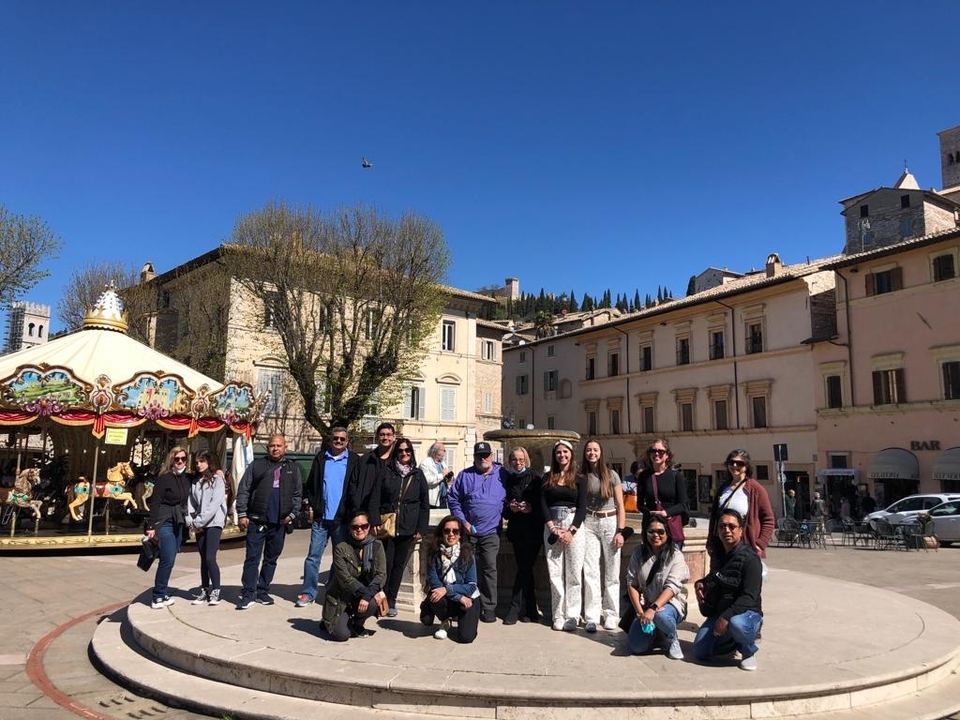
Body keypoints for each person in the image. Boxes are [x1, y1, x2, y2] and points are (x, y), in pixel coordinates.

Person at [235, 433, 303, 609]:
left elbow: (297, 495)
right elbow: (244, 489)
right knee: (252, 558)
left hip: (279, 522)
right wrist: (242, 513)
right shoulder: (257, 466)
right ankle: (248, 593)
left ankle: (263, 590)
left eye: (279, 445)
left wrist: (292, 515)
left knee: (271, 559)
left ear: (285, 448)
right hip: (257, 520)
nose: (275, 448)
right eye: (272, 445)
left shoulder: (292, 469)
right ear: (268, 447)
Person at [295, 427, 361, 608]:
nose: (338, 441)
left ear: (347, 441)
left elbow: (356, 489)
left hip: (342, 519)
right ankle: (308, 592)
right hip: (321, 519)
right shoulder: (321, 458)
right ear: (330, 440)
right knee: (313, 557)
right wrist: (312, 506)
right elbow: (311, 485)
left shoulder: (354, 461)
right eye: (335, 439)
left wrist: (352, 513)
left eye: (342, 439)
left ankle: (332, 591)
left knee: (339, 559)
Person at [694, 508, 764, 671]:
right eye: (722, 526)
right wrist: (701, 583)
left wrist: (725, 617)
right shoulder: (719, 554)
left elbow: (750, 596)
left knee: (737, 623)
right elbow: (714, 577)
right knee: (700, 651)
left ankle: (748, 651)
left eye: (732, 527)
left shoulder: (750, 559)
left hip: (747, 613)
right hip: (721, 611)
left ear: (741, 530)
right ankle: (733, 641)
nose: (726, 530)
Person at [447, 441, 506, 624]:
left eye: (486, 455)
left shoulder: (502, 474)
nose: (483, 458)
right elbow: (453, 499)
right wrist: (462, 521)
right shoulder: (465, 475)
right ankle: (467, 602)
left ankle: (489, 607)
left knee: (490, 568)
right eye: (479, 456)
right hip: (468, 532)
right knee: (464, 568)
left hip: (491, 531)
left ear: (491, 456)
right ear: (474, 457)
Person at [625, 514, 688, 659]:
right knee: (637, 647)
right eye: (651, 531)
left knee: (661, 616)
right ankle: (658, 635)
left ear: (667, 533)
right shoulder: (638, 553)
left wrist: (653, 609)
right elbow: (632, 584)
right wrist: (640, 612)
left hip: (670, 604)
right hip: (647, 605)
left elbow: (672, 587)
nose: (656, 535)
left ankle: (672, 638)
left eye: (661, 532)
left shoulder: (675, 555)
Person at [379, 438, 429, 616]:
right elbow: (377, 497)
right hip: (388, 526)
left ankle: (391, 600)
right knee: (386, 564)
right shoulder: (387, 473)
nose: (404, 454)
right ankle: (381, 597)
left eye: (407, 451)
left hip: (407, 527)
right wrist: (375, 521)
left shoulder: (417, 475)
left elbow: (424, 504)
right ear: (396, 453)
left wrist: (421, 529)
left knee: (399, 565)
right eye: (400, 451)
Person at [540, 439, 587, 632]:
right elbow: (542, 504)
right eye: (559, 452)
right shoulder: (547, 477)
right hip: (552, 524)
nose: (562, 455)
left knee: (575, 572)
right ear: (555, 455)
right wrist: (552, 528)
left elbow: (583, 507)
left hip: (573, 525)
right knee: (555, 572)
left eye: (565, 452)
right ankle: (558, 614)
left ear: (571, 455)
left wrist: (571, 531)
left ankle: (573, 615)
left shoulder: (580, 478)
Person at [580, 439, 626, 632]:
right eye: (589, 450)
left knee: (612, 571)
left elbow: (621, 505)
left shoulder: (612, 475)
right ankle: (591, 615)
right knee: (590, 569)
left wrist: (620, 531)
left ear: (601, 453)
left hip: (609, 520)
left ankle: (611, 614)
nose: (592, 452)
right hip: (589, 521)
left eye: (595, 449)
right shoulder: (582, 476)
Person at [321, 512, 387, 641]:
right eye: (355, 527)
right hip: (342, 598)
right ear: (349, 528)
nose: (359, 529)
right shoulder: (341, 548)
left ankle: (357, 624)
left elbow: (381, 574)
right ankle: (329, 619)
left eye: (364, 526)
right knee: (342, 636)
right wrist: (367, 594)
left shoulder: (377, 546)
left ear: (369, 527)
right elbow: (345, 579)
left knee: (372, 604)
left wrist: (369, 596)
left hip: (362, 597)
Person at [707, 449, 775, 573]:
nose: (734, 466)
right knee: (718, 583)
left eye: (740, 463)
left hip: (744, 546)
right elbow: (714, 518)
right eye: (731, 462)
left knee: (742, 584)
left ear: (747, 466)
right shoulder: (723, 488)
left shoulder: (756, 489)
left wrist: (760, 543)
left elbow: (768, 519)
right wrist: (710, 540)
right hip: (721, 545)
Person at [421, 515, 481, 642]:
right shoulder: (434, 554)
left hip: (469, 599)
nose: (451, 534)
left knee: (466, 638)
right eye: (447, 531)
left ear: (460, 535)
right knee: (435, 596)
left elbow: (471, 586)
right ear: (441, 533)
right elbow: (436, 585)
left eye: (455, 531)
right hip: (455, 597)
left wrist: (447, 589)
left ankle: (463, 620)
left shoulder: (468, 554)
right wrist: (457, 596)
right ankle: (445, 620)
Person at [146, 446, 191, 609]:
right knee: (168, 558)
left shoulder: (188, 478)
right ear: (171, 460)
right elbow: (155, 502)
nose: (180, 462)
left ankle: (163, 591)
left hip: (179, 521)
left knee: (171, 558)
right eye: (176, 459)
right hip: (165, 521)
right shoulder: (164, 478)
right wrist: (151, 526)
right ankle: (157, 595)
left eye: (183, 459)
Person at [501, 446, 542, 625]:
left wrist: (530, 508)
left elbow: (542, 506)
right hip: (517, 531)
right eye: (514, 460)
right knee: (525, 570)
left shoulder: (536, 478)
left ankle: (514, 608)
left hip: (533, 531)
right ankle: (530, 610)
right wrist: (510, 508)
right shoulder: (508, 480)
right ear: (510, 461)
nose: (518, 463)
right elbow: (503, 507)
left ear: (526, 460)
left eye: (521, 460)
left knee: (524, 568)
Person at [187, 450, 228, 606]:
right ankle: (205, 589)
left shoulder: (217, 480)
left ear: (209, 462)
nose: (199, 465)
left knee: (210, 557)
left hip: (213, 523)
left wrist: (198, 522)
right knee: (203, 558)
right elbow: (191, 502)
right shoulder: (196, 482)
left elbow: (214, 505)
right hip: (199, 524)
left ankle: (216, 589)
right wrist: (191, 520)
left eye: (202, 461)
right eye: (196, 462)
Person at [637, 438, 689, 548]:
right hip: (651, 526)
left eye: (661, 451)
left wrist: (665, 513)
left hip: (670, 526)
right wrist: (651, 514)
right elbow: (640, 504)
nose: (656, 454)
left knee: (672, 563)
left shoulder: (676, 476)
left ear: (667, 455)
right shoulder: (644, 476)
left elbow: (683, 504)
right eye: (653, 451)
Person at [359, 422, 394, 530]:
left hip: (391, 515)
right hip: (367, 513)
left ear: (394, 437)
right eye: (382, 434)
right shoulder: (366, 460)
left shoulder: (398, 461)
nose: (385, 437)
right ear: (377, 436)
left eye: (388, 435)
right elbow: (357, 486)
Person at [420, 442, 454, 509]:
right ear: (436, 451)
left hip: (444, 499)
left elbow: (444, 479)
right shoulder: (425, 463)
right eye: (443, 450)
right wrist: (442, 475)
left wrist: (449, 478)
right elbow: (426, 480)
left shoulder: (442, 463)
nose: (445, 452)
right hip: (431, 501)